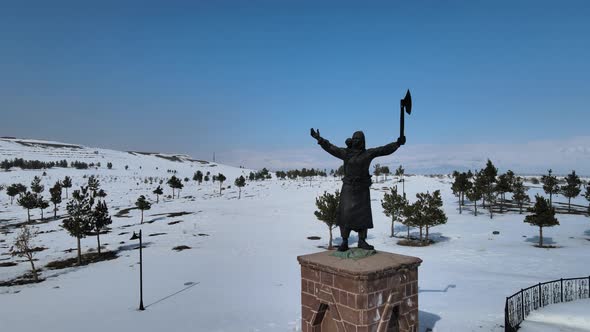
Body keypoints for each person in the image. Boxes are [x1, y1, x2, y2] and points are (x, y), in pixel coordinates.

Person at [311, 129, 405, 251]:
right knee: (345, 215)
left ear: (363, 141)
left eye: (358, 139)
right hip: (348, 189)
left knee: (363, 216)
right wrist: (320, 139)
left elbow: (383, 150)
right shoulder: (346, 153)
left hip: (362, 189)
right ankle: (344, 241)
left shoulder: (367, 154)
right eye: (354, 139)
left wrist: (397, 144)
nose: (356, 141)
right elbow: (331, 148)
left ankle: (362, 240)